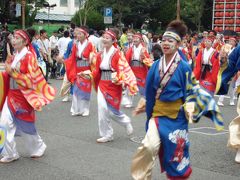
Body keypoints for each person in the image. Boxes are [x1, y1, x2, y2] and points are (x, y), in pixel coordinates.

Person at [131, 20, 223, 179]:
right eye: (164, 40)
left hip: (177, 116)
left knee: (176, 151)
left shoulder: (183, 67)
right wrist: (146, 106)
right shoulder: (155, 66)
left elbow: (192, 89)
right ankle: (141, 176)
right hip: (158, 114)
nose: (166, 43)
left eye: (170, 40)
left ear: (178, 43)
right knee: (148, 146)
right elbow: (150, 92)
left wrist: (191, 104)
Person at [0, 29, 56, 163]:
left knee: (26, 126)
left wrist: (12, 73)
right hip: (11, 94)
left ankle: (39, 146)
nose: (14, 40)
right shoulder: (14, 55)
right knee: (4, 123)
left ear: (25, 42)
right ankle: (10, 153)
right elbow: (8, 72)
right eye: (13, 37)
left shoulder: (29, 56)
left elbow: (31, 80)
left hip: (24, 96)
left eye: (18, 38)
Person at [80, 29, 138, 143]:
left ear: (113, 41)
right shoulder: (99, 54)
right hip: (102, 83)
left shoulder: (118, 53)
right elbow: (96, 70)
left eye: (107, 38)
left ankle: (126, 122)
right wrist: (89, 75)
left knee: (112, 111)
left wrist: (121, 79)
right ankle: (107, 134)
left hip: (113, 84)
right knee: (102, 109)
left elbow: (123, 68)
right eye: (104, 37)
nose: (104, 39)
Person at [64, 27, 95, 116]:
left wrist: (91, 58)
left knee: (85, 90)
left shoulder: (90, 45)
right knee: (76, 90)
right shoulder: (75, 45)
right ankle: (76, 109)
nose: (78, 35)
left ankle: (85, 109)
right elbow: (72, 58)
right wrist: (65, 61)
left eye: (80, 34)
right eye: (77, 34)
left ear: (86, 35)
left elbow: (94, 57)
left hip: (86, 70)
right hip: (77, 69)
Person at [217, 37, 238, 106]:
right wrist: (223, 55)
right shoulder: (225, 48)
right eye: (230, 41)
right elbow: (220, 57)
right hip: (225, 68)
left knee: (232, 86)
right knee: (223, 83)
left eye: (232, 41)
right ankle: (220, 100)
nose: (230, 42)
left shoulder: (237, 50)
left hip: (233, 69)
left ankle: (231, 100)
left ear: (235, 43)